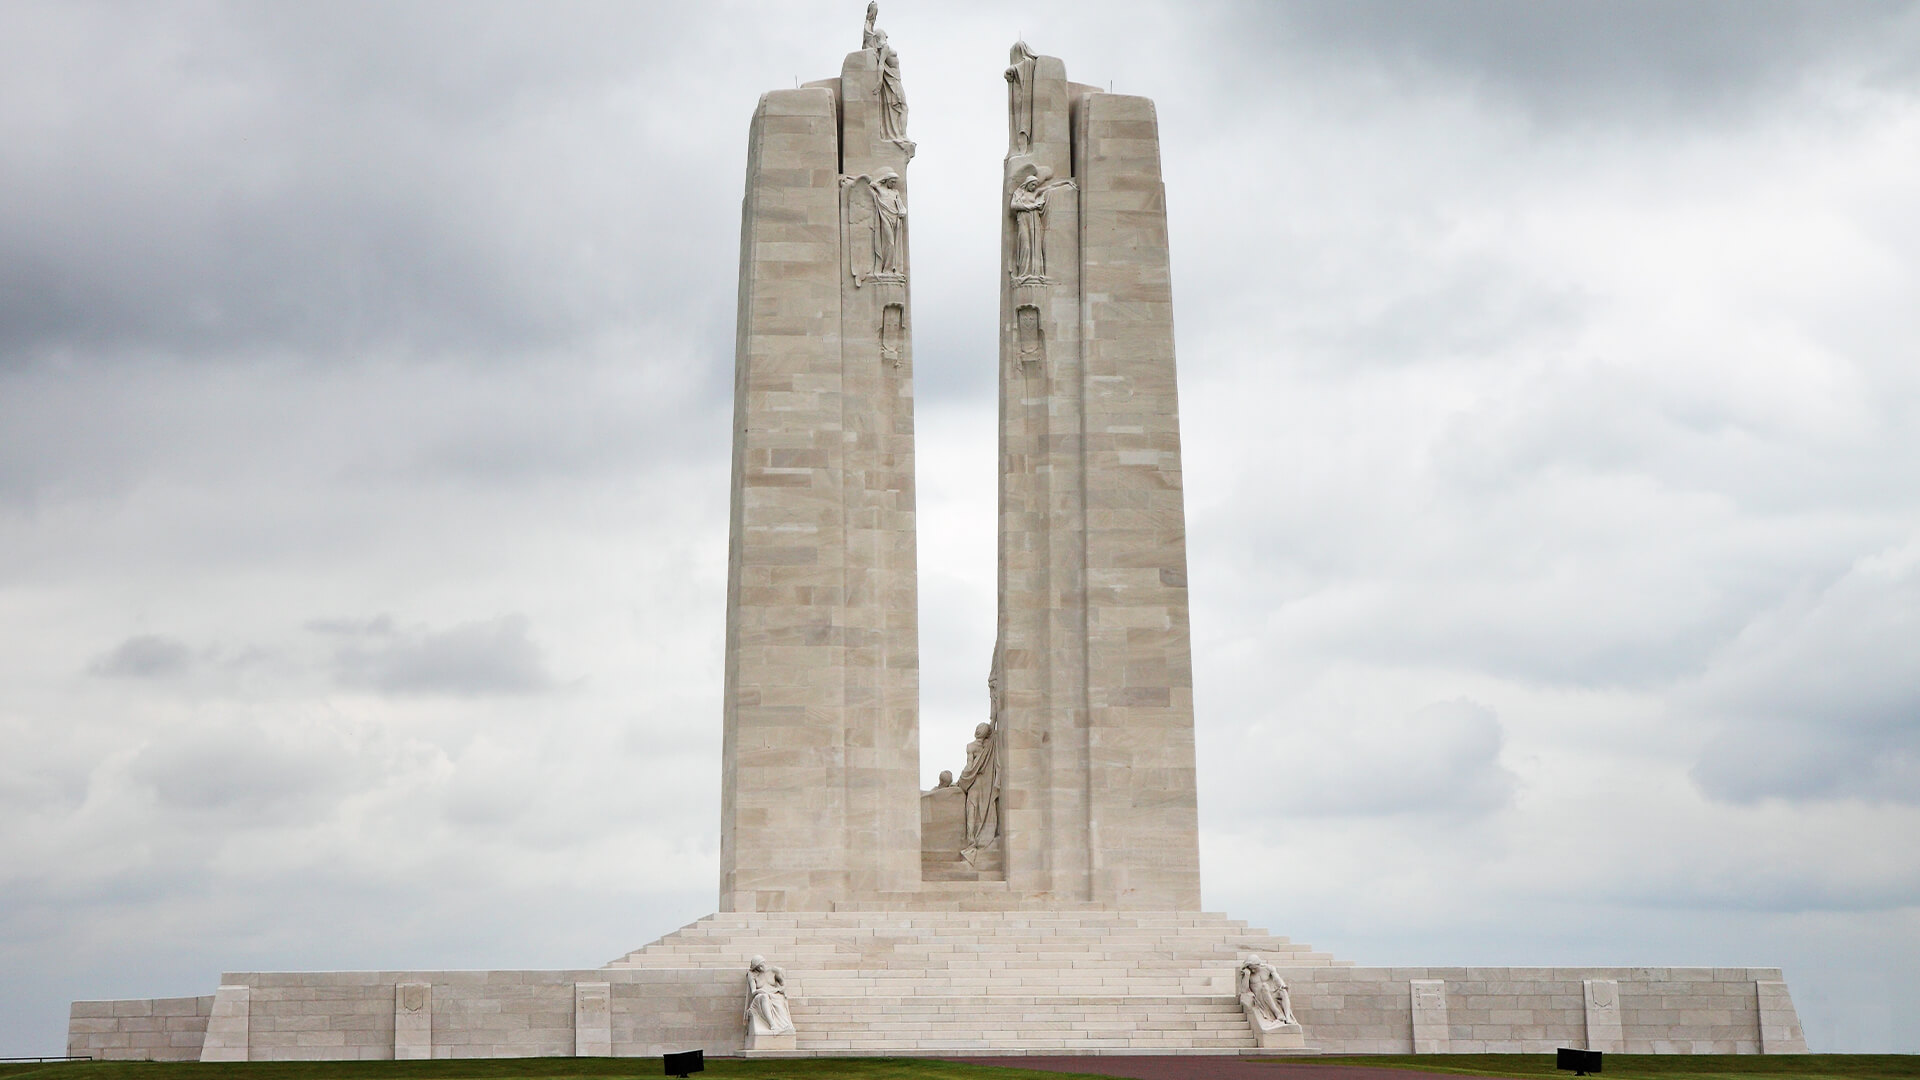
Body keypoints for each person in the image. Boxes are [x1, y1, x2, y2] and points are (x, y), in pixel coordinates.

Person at [958, 720, 999, 861]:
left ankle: (971, 838)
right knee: (983, 810)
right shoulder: (990, 747)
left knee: (972, 808)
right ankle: (977, 837)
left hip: (975, 783)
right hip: (986, 783)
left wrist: (961, 780)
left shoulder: (971, 747)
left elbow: (969, 768)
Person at [1237, 954, 1298, 1030]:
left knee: (1283, 991)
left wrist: (1282, 985)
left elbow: (1277, 978)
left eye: (1254, 968)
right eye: (1251, 968)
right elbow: (1244, 990)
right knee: (1264, 986)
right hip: (1260, 997)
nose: (1253, 970)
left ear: (1258, 964)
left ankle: (1288, 1017)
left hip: (1271, 993)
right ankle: (1277, 1013)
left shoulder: (1268, 968)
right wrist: (1247, 975)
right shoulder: (1248, 973)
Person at [744, 955, 793, 1036]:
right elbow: (753, 991)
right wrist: (761, 991)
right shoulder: (752, 974)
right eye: (757, 967)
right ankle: (772, 1024)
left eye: (761, 965)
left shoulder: (774, 970)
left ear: (764, 963)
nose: (760, 968)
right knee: (764, 997)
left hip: (774, 994)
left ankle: (784, 1026)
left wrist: (779, 990)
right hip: (759, 996)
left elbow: (783, 984)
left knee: (778, 1000)